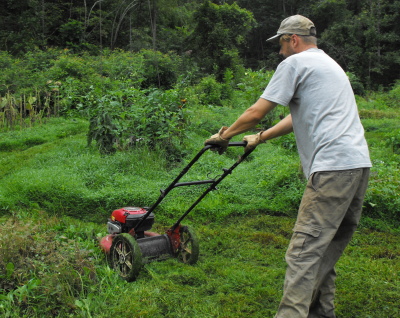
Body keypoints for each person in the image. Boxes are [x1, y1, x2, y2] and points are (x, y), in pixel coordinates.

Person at [205, 15, 372, 318]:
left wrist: (224, 135)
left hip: (332, 168)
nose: (279, 52)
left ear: (292, 39)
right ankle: (322, 312)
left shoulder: (295, 64)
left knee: (303, 252)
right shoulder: (329, 66)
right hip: (358, 166)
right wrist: (260, 137)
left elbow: (256, 111)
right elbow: (298, 116)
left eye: (281, 44)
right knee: (324, 248)